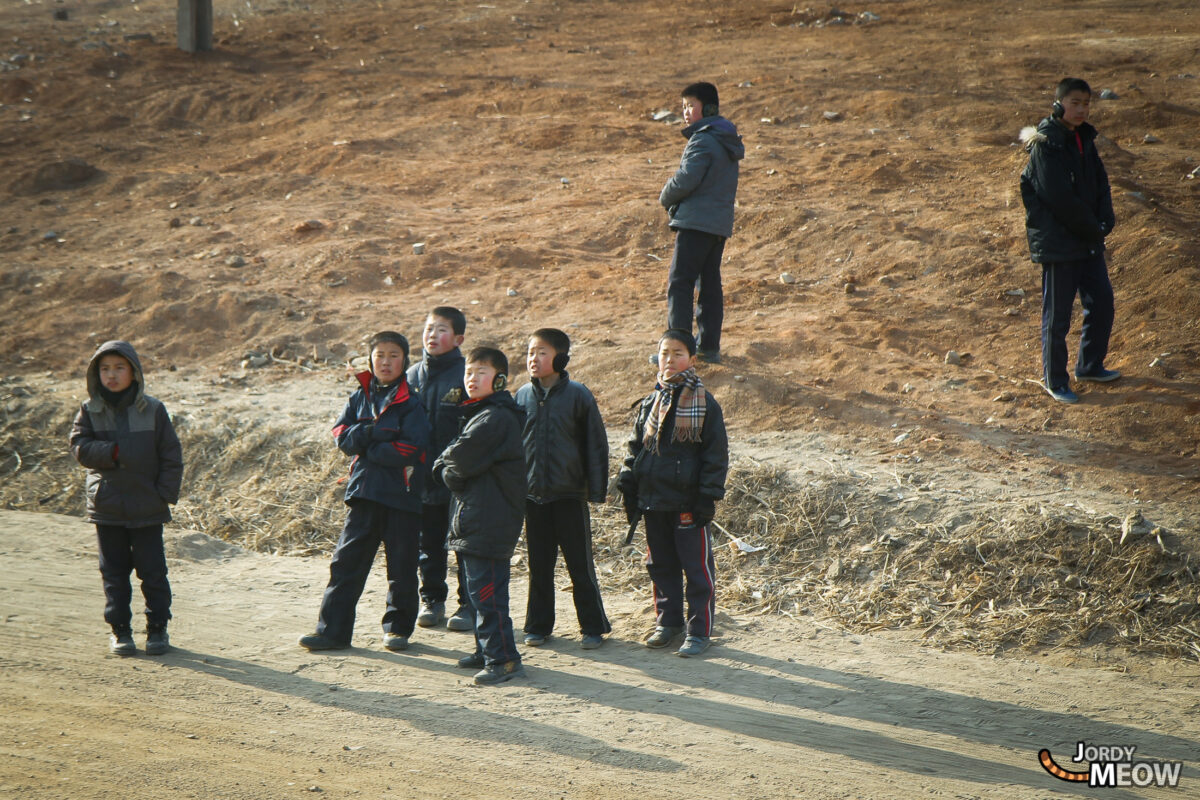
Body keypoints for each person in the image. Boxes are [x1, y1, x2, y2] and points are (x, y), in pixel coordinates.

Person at [299, 332, 429, 652]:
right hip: (364, 493)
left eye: (393, 355)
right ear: (370, 360)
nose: (386, 361)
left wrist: (369, 448)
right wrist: (372, 432)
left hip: (402, 495)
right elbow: (342, 437)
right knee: (345, 564)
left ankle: (398, 629)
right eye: (380, 355)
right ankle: (332, 632)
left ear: (405, 361)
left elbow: (410, 449)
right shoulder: (359, 397)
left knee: (401, 568)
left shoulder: (412, 403)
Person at [618, 329, 728, 657]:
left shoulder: (704, 403)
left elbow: (715, 454)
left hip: (687, 504)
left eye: (677, 353)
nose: (670, 360)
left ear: (692, 360)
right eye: (664, 353)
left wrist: (706, 496)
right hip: (654, 502)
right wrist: (628, 479)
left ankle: (698, 630)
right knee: (661, 566)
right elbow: (636, 447)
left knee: (696, 569)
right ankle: (668, 623)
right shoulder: (651, 402)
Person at [69, 340, 183, 656]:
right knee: (114, 574)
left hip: (148, 506)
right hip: (107, 508)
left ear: (134, 372)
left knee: (153, 573)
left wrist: (164, 494)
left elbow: (171, 455)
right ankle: (121, 632)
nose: (112, 375)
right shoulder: (89, 410)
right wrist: (113, 452)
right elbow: (79, 447)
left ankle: (158, 630)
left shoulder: (154, 410)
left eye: (119, 367)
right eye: (105, 369)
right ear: (96, 374)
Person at [1020, 77, 1120, 404]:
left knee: (1102, 302)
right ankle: (1055, 380)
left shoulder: (1084, 139)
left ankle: (1090, 366)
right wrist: (1093, 226)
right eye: (1075, 102)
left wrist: (1106, 217)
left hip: (1087, 240)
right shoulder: (1045, 144)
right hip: (1060, 244)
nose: (1081, 109)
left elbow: (1100, 183)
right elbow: (1058, 198)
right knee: (1058, 316)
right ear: (1059, 103)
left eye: (1086, 103)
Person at [432, 347, 528, 685]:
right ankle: (485, 650)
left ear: (500, 379)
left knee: (487, 594)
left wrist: (444, 468)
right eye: (469, 372)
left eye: (481, 373)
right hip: (477, 515)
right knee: (476, 593)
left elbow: (455, 462)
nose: (472, 378)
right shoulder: (481, 413)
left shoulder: (494, 417)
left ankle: (503, 659)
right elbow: (455, 459)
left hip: (489, 517)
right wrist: (448, 465)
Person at [515, 328, 612, 650]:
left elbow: (595, 445)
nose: (534, 358)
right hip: (533, 497)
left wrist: (595, 491)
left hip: (569, 495)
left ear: (561, 358)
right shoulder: (521, 397)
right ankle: (538, 626)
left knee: (580, 566)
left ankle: (593, 627)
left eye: (542, 352)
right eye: (531, 352)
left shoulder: (579, 395)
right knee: (539, 565)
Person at [659, 81, 744, 365]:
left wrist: (665, 195)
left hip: (696, 224)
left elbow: (686, 178)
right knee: (709, 286)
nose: (685, 112)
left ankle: (678, 350)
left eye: (691, 106)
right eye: (683, 106)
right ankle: (709, 348)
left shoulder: (703, 139)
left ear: (708, 108)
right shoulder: (725, 139)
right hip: (718, 226)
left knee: (680, 284)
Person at [406, 306, 473, 632]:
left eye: (442, 330)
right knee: (427, 544)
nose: (433, 335)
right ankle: (432, 600)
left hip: (459, 480)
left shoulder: (467, 376)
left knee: (463, 543)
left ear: (458, 338)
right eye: (429, 328)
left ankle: (468, 604)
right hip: (421, 478)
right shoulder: (411, 376)